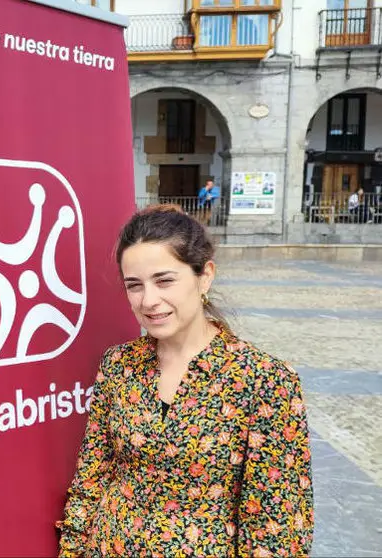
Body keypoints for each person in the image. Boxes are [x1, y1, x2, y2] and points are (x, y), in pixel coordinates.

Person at [57, 204, 313, 557]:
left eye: (164, 281)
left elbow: (276, 527)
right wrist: (72, 550)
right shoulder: (118, 364)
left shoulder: (264, 381)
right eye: (135, 285)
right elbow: (92, 474)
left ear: (204, 276)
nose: (149, 301)